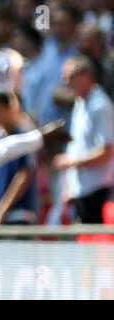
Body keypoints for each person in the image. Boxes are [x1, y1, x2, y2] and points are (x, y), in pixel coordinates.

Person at [53, 55, 114, 223]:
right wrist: (69, 187)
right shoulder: (80, 103)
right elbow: (78, 145)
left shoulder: (100, 105)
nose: (66, 81)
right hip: (81, 190)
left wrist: (73, 162)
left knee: (95, 247)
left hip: (97, 191)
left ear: (86, 75)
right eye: (64, 76)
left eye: (71, 76)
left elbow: (108, 150)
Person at [0, 92, 38, 228]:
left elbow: (24, 175)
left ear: (9, 109)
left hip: (19, 215)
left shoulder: (25, 138)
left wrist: (1, 211)